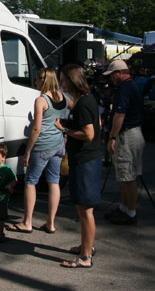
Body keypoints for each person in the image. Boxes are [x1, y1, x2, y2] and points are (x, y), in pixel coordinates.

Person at [7, 68, 68, 234]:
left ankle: (27, 222)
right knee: (54, 182)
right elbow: (64, 118)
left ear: (44, 80)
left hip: (42, 146)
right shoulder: (63, 98)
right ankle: (51, 222)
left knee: (30, 181)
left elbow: (36, 128)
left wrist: (27, 151)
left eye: (37, 80)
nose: (35, 83)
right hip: (58, 145)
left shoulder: (41, 100)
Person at [54, 64, 102, 269]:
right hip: (83, 160)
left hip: (85, 161)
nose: (61, 83)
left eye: (63, 80)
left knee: (85, 210)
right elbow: (96, 120)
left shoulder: (83, 104)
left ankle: (85, 257)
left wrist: (65, 129)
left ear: (72, 81)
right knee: (82, 208)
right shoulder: (84, 101)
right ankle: (86, 246)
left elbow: (89, 133)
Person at [104, 59, 146, 226]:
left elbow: (119, 115)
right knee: (124, 175)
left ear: (119, 72)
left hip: (127, 134)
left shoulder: (125, 88)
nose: (111, 79)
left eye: (112, 75)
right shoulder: (131, 86)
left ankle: (131, 212)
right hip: (133, 132)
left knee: (128, 176)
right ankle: (124, 207)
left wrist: (112, 137)